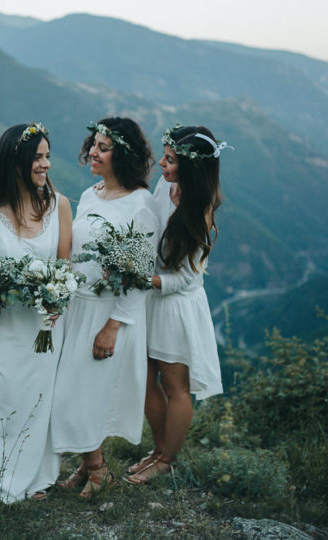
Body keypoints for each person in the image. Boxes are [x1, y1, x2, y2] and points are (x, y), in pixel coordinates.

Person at [50, 117, 158, 498]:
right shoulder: (91, 194)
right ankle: (87, 465)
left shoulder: (141, 205)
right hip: (77, 308)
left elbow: (141, 273)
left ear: (122, 155)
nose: (93, 152)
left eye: (103, 147)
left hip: (108, 312)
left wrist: (114, 325)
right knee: (71, 391)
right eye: (93, 144)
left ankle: (98, 470)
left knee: (85, 392)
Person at [0, 122, 73, 503]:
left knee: (35, 400)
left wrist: (57, 298)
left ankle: (34, 479)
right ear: (16, 162)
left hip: (41, 327)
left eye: (47, 155)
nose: (45, 164)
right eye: (37, 157)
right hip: (1, 326)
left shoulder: (59, 205)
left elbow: (64, 266)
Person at [126, 124, 226, 484]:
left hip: (177, 306)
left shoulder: (199, 212)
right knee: (144, 378)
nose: (162, 166)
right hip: (152, 299)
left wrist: (147, 279)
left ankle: (167, 460)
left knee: (175, 385)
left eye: (170, 161)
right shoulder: (165, 187)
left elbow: (188, 277)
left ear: (191, 167)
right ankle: (157, 449)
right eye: (166, 158)